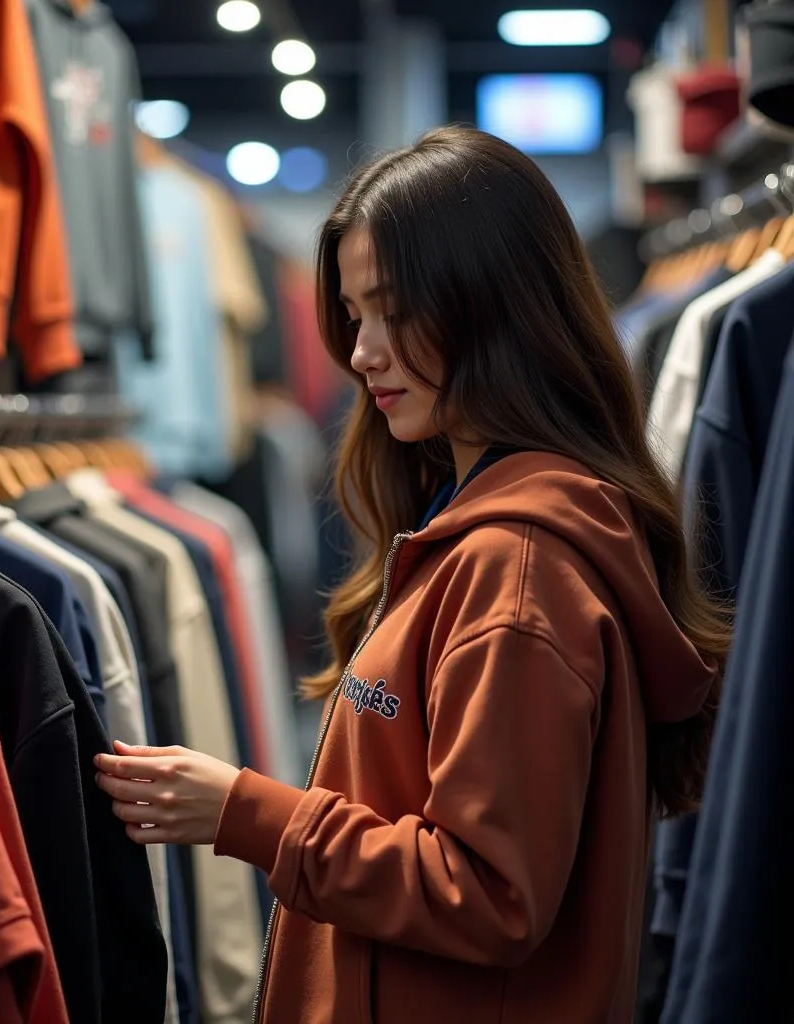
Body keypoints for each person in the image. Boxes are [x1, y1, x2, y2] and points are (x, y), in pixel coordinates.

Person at [93, 125, 728, 1023]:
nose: (361, 352)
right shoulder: (472, 528)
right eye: (356, 315)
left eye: (395, 311)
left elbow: (489, 893)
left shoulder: (515, 571)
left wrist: (250, 813)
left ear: (494, 305)